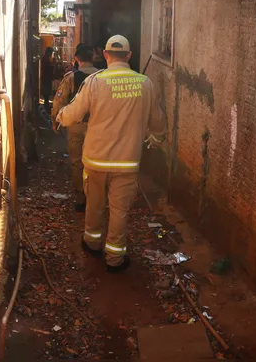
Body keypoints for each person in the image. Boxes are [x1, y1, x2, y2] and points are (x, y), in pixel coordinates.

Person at [56, 35, 167, 273]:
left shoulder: (96, 82)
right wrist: (156, 139)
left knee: (94, 204)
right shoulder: (145, 83)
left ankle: (92, 243)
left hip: (95, 160)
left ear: (105, 55)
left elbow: (74, 113)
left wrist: (60, 116)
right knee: (119, 210)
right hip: (126, 162)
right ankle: (115, 259)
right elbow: (157, 123)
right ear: (129, 56)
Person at [51, 45, 100, 212]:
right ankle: (96, 197)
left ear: (77, 59)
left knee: (77, 163)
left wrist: (55, 121)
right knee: (96, 164)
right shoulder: (103, 77)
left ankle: (81, 198)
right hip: (98, 127)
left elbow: (59, 101)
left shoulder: (71, 78)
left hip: (76, 126)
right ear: (93, 58)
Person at [40, 47, 55, 112]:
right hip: (46, 79)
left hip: (46, 78)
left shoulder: (45, 59)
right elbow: (47, 69)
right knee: (46, 93)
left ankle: (46, 106)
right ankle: (46, 107)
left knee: (47, 94)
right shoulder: (45, 59)